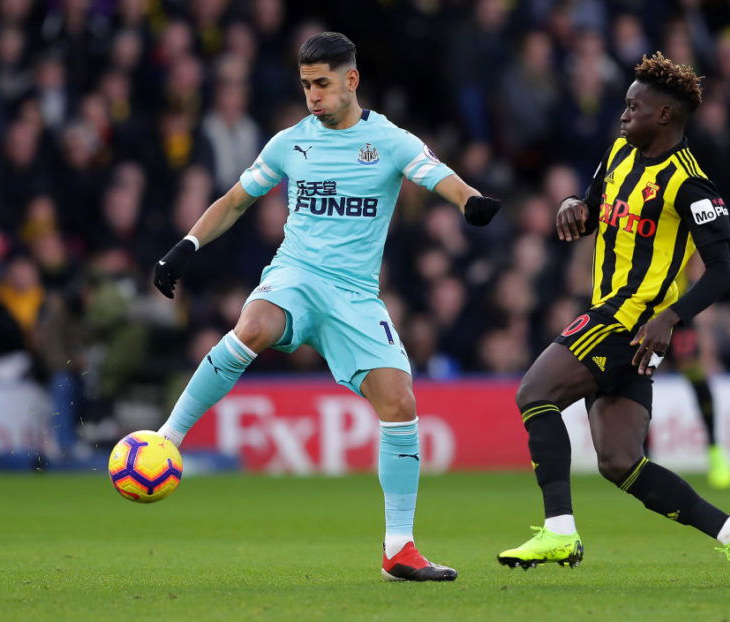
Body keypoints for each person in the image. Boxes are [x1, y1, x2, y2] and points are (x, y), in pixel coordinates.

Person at [152, 32, 500, 582]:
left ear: (351, 80)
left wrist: (471, 201)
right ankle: (167, 438)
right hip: (295, 275)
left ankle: (399, 549)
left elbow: (438, 176)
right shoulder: (289, 143)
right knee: (254, 326)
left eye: (322, 83)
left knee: (400, 403)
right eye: (306, 85)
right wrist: (185, 246)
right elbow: (235, 201)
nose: (313, 95)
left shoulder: (389, 140)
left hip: (355, 295)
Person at [497, 53, 730, 587]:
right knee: (620, 462)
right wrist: (571, 204)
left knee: (534, 394)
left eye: (633, 106)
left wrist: (671, 316)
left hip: (627, 320)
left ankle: (559, 530)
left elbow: (722, 273)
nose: (623, 115)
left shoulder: (690, 185)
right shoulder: (620, 153)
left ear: (664, 115)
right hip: (624, 327)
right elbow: (593, 208)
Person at [666, 269, 730, 490]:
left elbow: (699, 267)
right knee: (639, 376)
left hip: (677, 311)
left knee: (695, 373)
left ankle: (714, 448)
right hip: (639, 307)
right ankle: (641, 454)